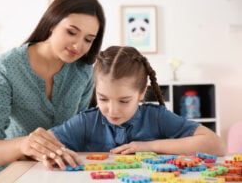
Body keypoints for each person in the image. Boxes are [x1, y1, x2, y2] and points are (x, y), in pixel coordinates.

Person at [0, 0, 105, 182]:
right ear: (52, 23)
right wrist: (24, 145)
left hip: (52, 175)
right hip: (2, 175)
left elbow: (77, 134)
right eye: (71, 32)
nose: (78, 46)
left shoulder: (83, 73)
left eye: (88, 40)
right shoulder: (8, 66)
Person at [43, 45, 226, 170]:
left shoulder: (157, 118)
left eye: (124, 101)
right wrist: (49, 154)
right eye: (103, 99)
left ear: (141, 93)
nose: (112, 111)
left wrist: (150, 146)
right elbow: (41, 146)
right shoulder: (86, 122)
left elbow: (216, 145)